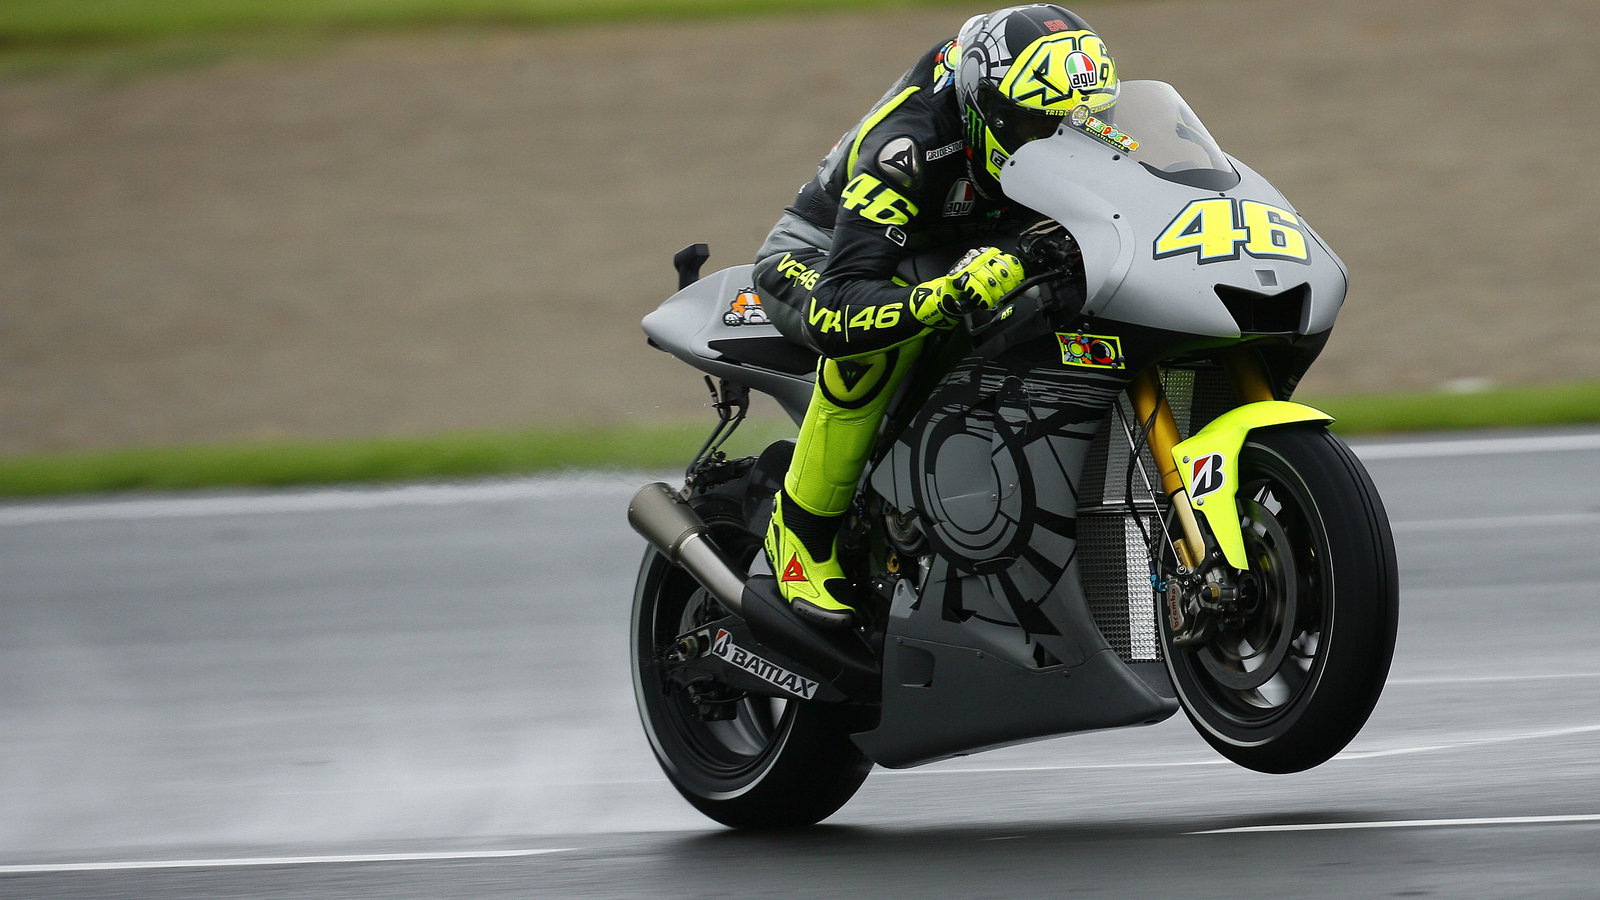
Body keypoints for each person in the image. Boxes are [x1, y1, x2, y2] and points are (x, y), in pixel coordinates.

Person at [751, 4, 1120, 628]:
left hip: (952, 250)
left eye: (1083, 120)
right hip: (824, 262)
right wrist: (944, 297)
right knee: (878, 339)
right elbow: (842, 302)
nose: (1065, 138)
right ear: (985, 107)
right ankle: (800, 533)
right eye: (1040, 125)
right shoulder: (911, 143)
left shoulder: (1061, 115)